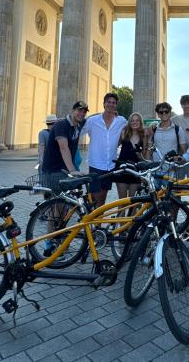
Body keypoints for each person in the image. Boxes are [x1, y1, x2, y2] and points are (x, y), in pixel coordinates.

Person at [41, 101, 88, 256]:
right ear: (73, 110)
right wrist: (73, 170)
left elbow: (95, 118)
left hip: (63, 171)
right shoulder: (61, 125)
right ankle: (49, 244)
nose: (81, 114)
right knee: (58, 208)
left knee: (64, 208)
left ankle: (58, 241)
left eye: (84, 112)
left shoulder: (78, 125)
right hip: (54, 171)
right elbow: (64, 148)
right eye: (79, 111)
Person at [81, 93, 127, 206]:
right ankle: (92, 220)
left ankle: (97, 223)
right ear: (104, 104)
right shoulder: (93, 120)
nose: (111, 104)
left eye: (114, 103)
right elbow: (79, 132)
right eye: (109, 102)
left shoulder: (121, 121)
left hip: (110, 165)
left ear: (116, 105)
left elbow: (135, 126)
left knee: (102, 197)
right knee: (96, 197)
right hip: (96, 164)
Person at [116, 112, 146, 198]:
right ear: (129, 122)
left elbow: (143, 156)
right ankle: (121, 213)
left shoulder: (143, 136)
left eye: (137, 120)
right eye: (132, 120)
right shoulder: (124, 133)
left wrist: (140, 155)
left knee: (134, 203)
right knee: (122, 202)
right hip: (122, 168)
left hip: (135, 170)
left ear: (140, 122)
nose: (134, 122)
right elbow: (113, 147)